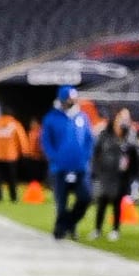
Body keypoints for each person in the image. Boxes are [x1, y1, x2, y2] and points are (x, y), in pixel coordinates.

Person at [41, 85, 96, 241]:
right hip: (60, 168)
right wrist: (54, 157)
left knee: (85, 198)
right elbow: (46, 141)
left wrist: (86, 157)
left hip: (80, 167)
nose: (73, 101)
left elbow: (89, 139)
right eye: (70, 99)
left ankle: (67, 224)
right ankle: (60, 231)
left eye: (74, 98)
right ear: (63, 99)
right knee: (61, 202)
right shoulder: (51, 118)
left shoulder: (82, 117)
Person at [90, 107, 138, 241]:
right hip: (105, 173)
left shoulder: (130, 135)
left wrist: (132, 176)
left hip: (120, 176)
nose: (123, 120)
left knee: (117, 203)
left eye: (126, 117)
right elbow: (96, 152)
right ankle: (97, 229)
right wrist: (96, 170)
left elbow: (134, 158)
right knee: (102, 201)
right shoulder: (105, 133)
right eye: (122, 117)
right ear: (116, 117)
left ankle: (115, 230)